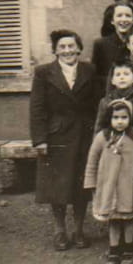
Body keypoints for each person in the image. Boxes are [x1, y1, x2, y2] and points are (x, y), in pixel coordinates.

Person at [30, 30, 99, 251]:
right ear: (55, 50)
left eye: (71, 46)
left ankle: (78, 230)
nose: (67, 51)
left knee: (81, 184)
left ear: (79, 48)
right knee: (56, 185)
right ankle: (59, 230)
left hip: (84, 134)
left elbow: (97, 103)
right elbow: (37, 108)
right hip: (56, 135)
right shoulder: (43, 73)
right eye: (62, 47)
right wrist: (40, 139)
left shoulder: (89, 70)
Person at [84, 99, 133, 264]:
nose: (120, 121)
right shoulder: (102, 137)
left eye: (124, 117)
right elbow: (92, 161)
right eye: (116, 117)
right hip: (108, 186)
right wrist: (91, 183)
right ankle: (114, 251)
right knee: (113, 220)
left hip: (130, 186)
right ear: (109, 118)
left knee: (129, 219)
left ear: (130, 118)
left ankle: (128, 250)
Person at [93, 61, 133, 140]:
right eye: (118, 75)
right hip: (112, 142)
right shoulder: (105, 101)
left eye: (126, 74)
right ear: (112, 80)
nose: (122, 77)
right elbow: (99, 128)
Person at [92, 2, 133, 93]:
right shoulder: (101, 44)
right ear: (112, 21)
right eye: (119, 15)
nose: (124, 19)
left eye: (128, 16)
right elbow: (96, 76)